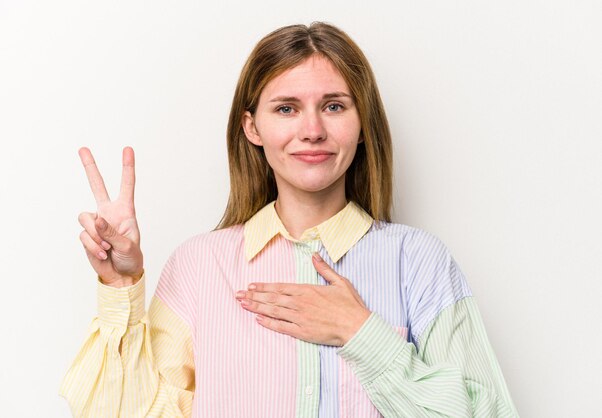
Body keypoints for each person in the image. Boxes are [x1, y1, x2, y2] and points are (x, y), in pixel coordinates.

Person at [60, 22, 519, 417]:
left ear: (363, 126)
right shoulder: (200, 265)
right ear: (252, 127)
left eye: (335, 105)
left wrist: (361, 333)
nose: (313, 129)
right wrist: (122, 288)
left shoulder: (418, 262)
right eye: (286, 108)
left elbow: (487, 410)